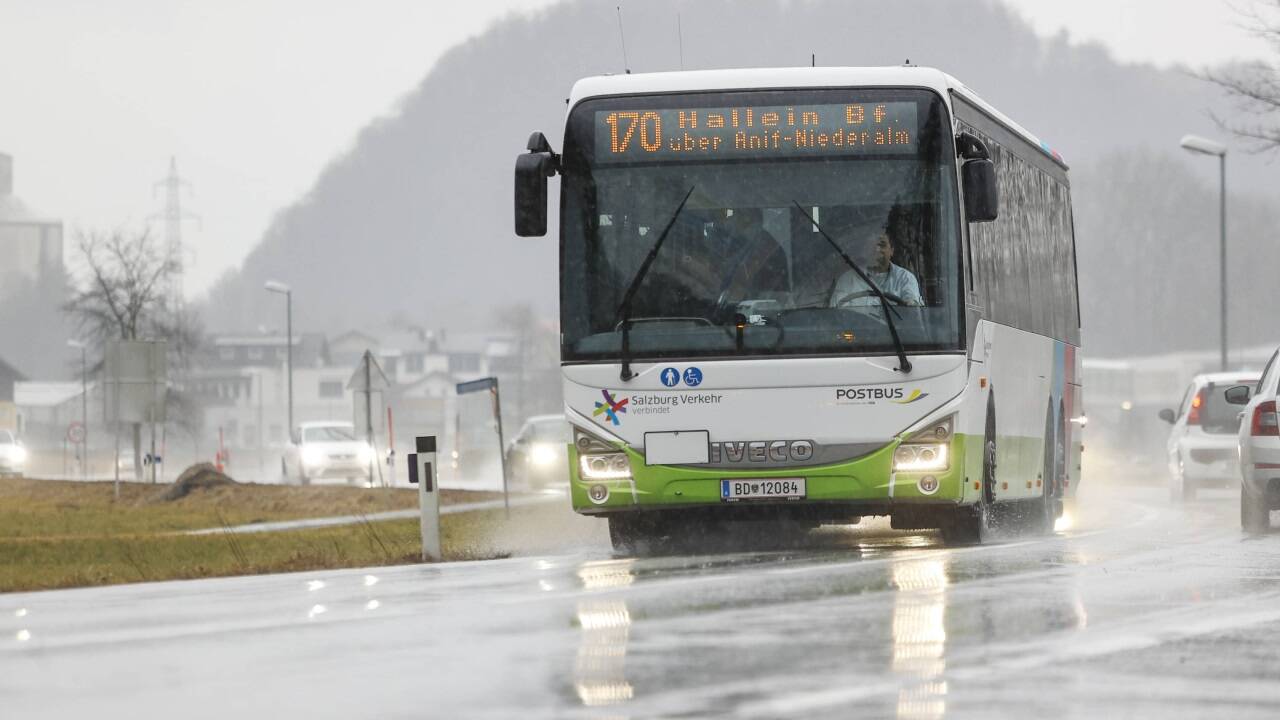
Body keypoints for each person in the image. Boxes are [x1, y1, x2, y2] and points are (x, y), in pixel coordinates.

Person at [829, 225, 923, 308]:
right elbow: (837, 317)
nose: (877, 250)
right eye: (871, 246)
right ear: (864, 251)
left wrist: (909, 304)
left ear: (892, 251)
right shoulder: (847, 281)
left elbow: (913, 313)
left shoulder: (905, 279)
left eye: (882, 245)